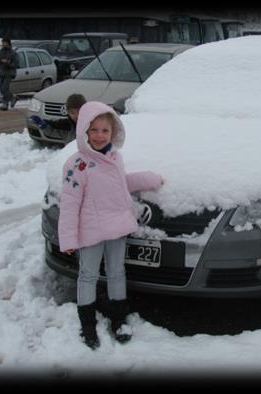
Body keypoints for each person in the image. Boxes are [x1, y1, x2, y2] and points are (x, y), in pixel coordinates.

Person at [58, 101, 163, 349]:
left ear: (112, 132)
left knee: (117, 273)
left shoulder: (115, 158)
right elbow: (70, 203)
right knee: (88, 275)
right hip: (91, 232)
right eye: (93, 130)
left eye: (104, 130)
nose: (99, 136)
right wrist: (68, 238)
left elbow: (118, 184)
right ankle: (87, 324)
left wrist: (147, 179)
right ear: (84, 131)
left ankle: (119, 319)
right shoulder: (77, 165)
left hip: (116, 227)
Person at [0, 37, 19, 111]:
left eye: (5, 42)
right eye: (2, 42)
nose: (3, 44)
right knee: (2, 89)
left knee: (4, 88)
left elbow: (16, 63)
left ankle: (5, 104)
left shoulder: (13, 53)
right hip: (1, 73)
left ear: (8, 43)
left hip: (9, 73)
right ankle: (13, 97)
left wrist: (8, 63)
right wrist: (1, 61)